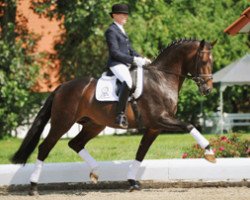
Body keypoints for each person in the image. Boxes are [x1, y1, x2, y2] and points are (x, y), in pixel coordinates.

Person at [105, 3, 150, 129]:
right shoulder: (111, 31)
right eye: (122, 14)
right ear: (114, 15)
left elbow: (129, 49)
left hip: (125, 63)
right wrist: (133, 59)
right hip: (116, 64)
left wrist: (141, 58)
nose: (125, 16)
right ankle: (120, 115)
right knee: (128, 82)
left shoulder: (121, 30)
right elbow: (114, 52)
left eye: (126, 14)